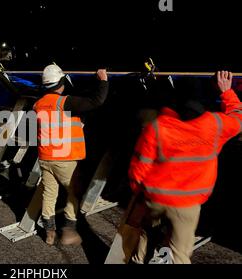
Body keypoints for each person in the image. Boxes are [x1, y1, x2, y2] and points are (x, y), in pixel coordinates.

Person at [128, 71, 242, 263]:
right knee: (179, 253)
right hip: (187, 204)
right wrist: (227, 92)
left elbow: (139, 168)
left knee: (146, 234)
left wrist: (141, 195)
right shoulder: (214, 124)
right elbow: (239, 118)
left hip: (156, 198)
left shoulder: (158, 126)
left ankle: (139, 260)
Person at [33, 64, 109, 245]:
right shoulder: (64, 102)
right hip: (64, 160)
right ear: (61, 82)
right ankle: (69, 230)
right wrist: (103, 81)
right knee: (74, 193)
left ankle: (49, 232)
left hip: (45, 158)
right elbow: (96, 101)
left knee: (49, 194)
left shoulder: (38, 104)